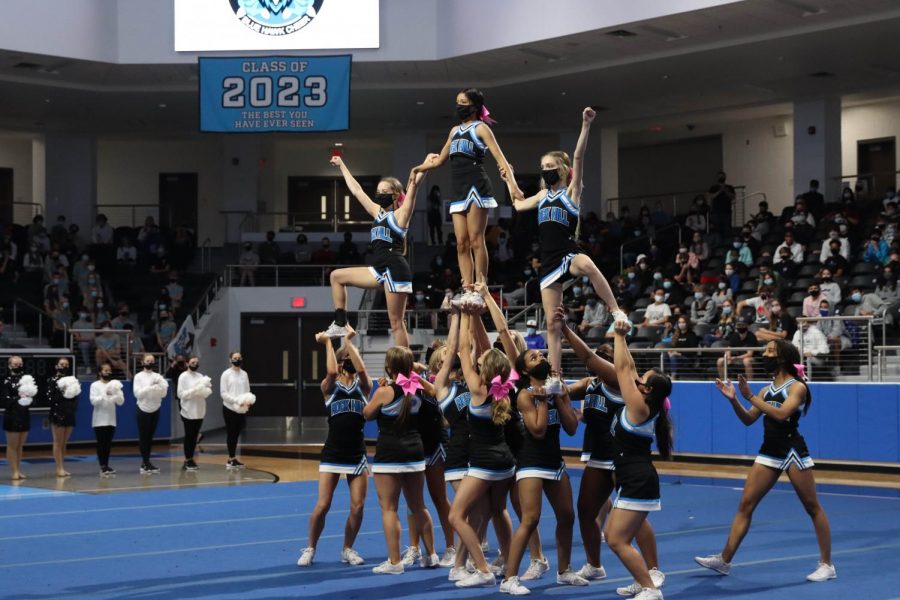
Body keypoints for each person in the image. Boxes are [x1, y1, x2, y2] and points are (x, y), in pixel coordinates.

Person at [504, 107, 625, 393]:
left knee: (589, 266)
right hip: (548, 263)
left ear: (561, 169)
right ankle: (555, 377)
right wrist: (508, 176)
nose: (545, 170)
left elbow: (580, 157)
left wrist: (585, 125)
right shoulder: (542, 196)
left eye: (550, 166)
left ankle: (616, 310)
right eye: (542, 167)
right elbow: (519, 204)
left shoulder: (572, 192)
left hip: (568, 253)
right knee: (552, 325)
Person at [697, 340, 835, 583]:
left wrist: (749, 395)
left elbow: (782, 415)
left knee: (812, 507)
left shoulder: (798, 387)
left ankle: (827, 564)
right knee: (745, 505)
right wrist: (734, 400)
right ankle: (724, 560)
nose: (765, 354)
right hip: (769, 450)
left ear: (783, 357)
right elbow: (749, 419)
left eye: (770, 351)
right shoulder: (765, 390)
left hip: (792, 450)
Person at [557, 310, 665, 592]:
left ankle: (652, 572)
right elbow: (571, 387)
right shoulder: (595, 384)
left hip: (625, 465)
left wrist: (567, 332)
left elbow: (598, 361)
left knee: (630, 523)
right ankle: (597, 564)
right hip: (603, 458)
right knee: (590, 512)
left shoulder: (627, 386)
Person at [499, 346, 588, 594]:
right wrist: (541, 400)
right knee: (530, 519)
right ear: (525, 370)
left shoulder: (559, 389)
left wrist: (559, 396)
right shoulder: (525, 395)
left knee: (567, 516)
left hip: (554, 462)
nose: (541, 358)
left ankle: (564, 571)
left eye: (542, 355)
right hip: (531, 462)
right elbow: (537, 430)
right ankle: (509, 580)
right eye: (533, 357)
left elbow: (571, 427)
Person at [412, 89, 516, 289]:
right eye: (457, 102)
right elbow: (440, 160)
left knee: (477, 239)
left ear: (474, 107)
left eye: (463, 102)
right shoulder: (454, 131)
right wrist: (418, 168)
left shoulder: (481, 129)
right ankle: (467, 285)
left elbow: (500, 158)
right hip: (458, 188)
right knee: (461, 242)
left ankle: (480, 283)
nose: (459, 106)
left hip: (477, 185)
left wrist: (514, 187)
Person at [325, 155, 427, 344]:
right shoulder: (377, 212)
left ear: (395, 195)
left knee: (396, 323)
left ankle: (404, 370)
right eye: (378, 191)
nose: (379, 194)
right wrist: (341, 165)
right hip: (379, 269)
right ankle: (341, 323)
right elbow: (356, 190)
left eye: (384, 191)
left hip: (395, 268)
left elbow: (414, 187)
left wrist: (425, 166)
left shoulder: (401, 215)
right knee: (336, 276)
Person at [447, 312, 516, 588]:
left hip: (484, 463)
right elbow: (484, 352)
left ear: (486, 370)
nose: (475, 362)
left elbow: (464, 349)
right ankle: (510, 564)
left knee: (456, 515)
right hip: (506, 464)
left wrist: (465, 315)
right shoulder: (505, 388)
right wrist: (474, 317)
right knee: (499, 511)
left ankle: (483, 568)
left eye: (480, 363)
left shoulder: (478, 389)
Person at [605, 320, 672, 600]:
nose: (639, 378)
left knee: (616, 539)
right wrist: (625, 336)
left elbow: (621, 369)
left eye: (643, 379)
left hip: (637, 479)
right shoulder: (648, 403)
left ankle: (649, 589)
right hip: (633, 476)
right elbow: (629, 368)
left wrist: (620, 335)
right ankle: (642, 578)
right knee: (615, 534)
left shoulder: (639, 408)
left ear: (646, 390)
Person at [363, 346, 439, 574]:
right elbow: (434, 390)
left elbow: (367, 414)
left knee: (389, 508)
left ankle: (395, 562)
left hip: (390, 453)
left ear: (389, 366)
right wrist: (413, 373)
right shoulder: (417, 388)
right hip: (415, 452)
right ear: (410, 366)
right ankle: (431, 555)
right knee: (418, 505)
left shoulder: (384, 392)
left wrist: (381, 388)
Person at [298, 328, 371, 568]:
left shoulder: (364, 387)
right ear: (340, 363)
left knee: (358, 506)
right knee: (323, 505)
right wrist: (329, 342)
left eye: (351, 357)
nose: (350, 362)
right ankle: (310, 547)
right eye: (346, 359)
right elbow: (330, 370)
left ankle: (348, 549)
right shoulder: (329, 388)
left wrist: (349, 342)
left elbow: (362, 370)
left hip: (356, 453)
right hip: (333, 452)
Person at [133, 354, 168, 474]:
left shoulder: (158, 376)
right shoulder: (138, 376)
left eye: (152, 361)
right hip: (143, 409)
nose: (150, 362)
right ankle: (145, 462)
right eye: (147, 360)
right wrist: (150, 387)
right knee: (144, 437)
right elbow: (137, 394)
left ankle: (147, 462)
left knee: (150, 437)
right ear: (142, 362)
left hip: (156, 408)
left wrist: (157, 387)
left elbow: (164, 393)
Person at [177, 355, 212, 471]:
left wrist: (204, 390)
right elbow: (181, 394)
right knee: (189, 436)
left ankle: (191, 459)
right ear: (187, 363)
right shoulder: (183, 377)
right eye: (192, 362)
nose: (195, 364)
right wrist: (195, 390)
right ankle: (187, 459)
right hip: (188, 411)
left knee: (195, 437)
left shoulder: (200, 376)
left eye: (196, 362)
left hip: (199, 410)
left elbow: (206, 391)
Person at [3, 356, 36, 480]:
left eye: (20, 364)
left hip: (24, 414)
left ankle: (19, 469)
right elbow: (4, 400)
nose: (18, 366)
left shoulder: (26, 380)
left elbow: (33, 396)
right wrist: (19, 398)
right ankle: (14, 471)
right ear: (10, 365)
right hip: (12, 415)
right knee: (12, 445)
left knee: (20, 445)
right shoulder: (6, 380)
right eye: (15, 364)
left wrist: (29, 398)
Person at [47, 357, 80, 478]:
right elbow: (50, 398)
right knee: (58, 441)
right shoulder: (52, 380)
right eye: (62, 364)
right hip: (57, 412)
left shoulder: (72, 380)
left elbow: (76, 396)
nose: (64, 366)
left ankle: (63, 466)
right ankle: (58, 468)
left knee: (64, 442)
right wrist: (62, 391)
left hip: (69, 412)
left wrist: (72, 406)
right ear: (56, 366)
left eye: (66, 364)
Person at [220, 351, 254, 469]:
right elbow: (223, 393)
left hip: (241, 409)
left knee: (237, 432)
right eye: (235, 358)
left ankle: (233, 458)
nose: (237, 359)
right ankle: (231, 458)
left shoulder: (244, 374)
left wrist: (247, 401)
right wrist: (236, 401)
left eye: (239, 357)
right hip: (229, 408)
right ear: (230, 360)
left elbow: (247, 390)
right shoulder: (226, 374)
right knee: (231, 433)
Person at [90, 363, 124, 476]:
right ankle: (102, 466)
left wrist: (116, 394)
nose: (107, 372)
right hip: (99, 420)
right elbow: (93, 401)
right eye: (105, 370)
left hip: (111, 419)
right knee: (101, 443)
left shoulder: (114, 384)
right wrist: (105, 394)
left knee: (108, 444)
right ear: (100, 372)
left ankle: (106, 464)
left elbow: (121, 402)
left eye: (109, 370)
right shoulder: (95, 385)